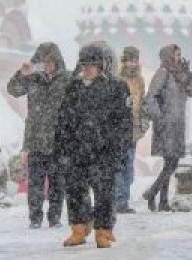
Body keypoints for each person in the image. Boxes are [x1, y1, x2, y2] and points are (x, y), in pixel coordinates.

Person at [54, 42, 131, 249]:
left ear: (102, 66)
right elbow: (63, 120)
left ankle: (104, 231)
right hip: (76, 151)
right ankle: (79, 229)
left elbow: (124, 122)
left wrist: (118, 149)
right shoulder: (73, 88)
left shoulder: (117, 87)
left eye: (92, 64)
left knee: (104, 193)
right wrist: (62, 148)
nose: (87, 69)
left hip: (104, 152)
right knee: (75, 191)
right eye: (84, 64)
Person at [7, 42, 70, 228]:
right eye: (43, 62)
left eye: (50, 61)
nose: (47, 65)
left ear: (57, 61)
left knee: (57, 183)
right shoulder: (32, 78)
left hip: (60, 139)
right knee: (35, 183)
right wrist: (22, 74)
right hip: (35, 139)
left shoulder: (67, 79)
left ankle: (55, 217)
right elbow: (13, 90)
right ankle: (35, 218)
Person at [141, 44, 192, 212]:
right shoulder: (163, 72)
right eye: (176, 54)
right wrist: (159, 117)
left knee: (170, 162)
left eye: (180, 54)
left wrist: (189, 75)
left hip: (178, 125)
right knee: (171, 163)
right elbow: (150, 97)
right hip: (166, 125)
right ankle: (153, 193)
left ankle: (162, 200)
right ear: (168, 56)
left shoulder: (181, 74)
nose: (179, 57)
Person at [114, 46, 149, 214]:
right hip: (118, 129)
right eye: (129, 60)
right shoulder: (116, 79)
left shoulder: (140, 80)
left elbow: (142, 104)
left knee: (128, 167)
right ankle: (119, 201)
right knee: (120, 166)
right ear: (123, 61)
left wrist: (143, 124)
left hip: (133, 130)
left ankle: (122, 199)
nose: (132, 64)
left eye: (134, 60)